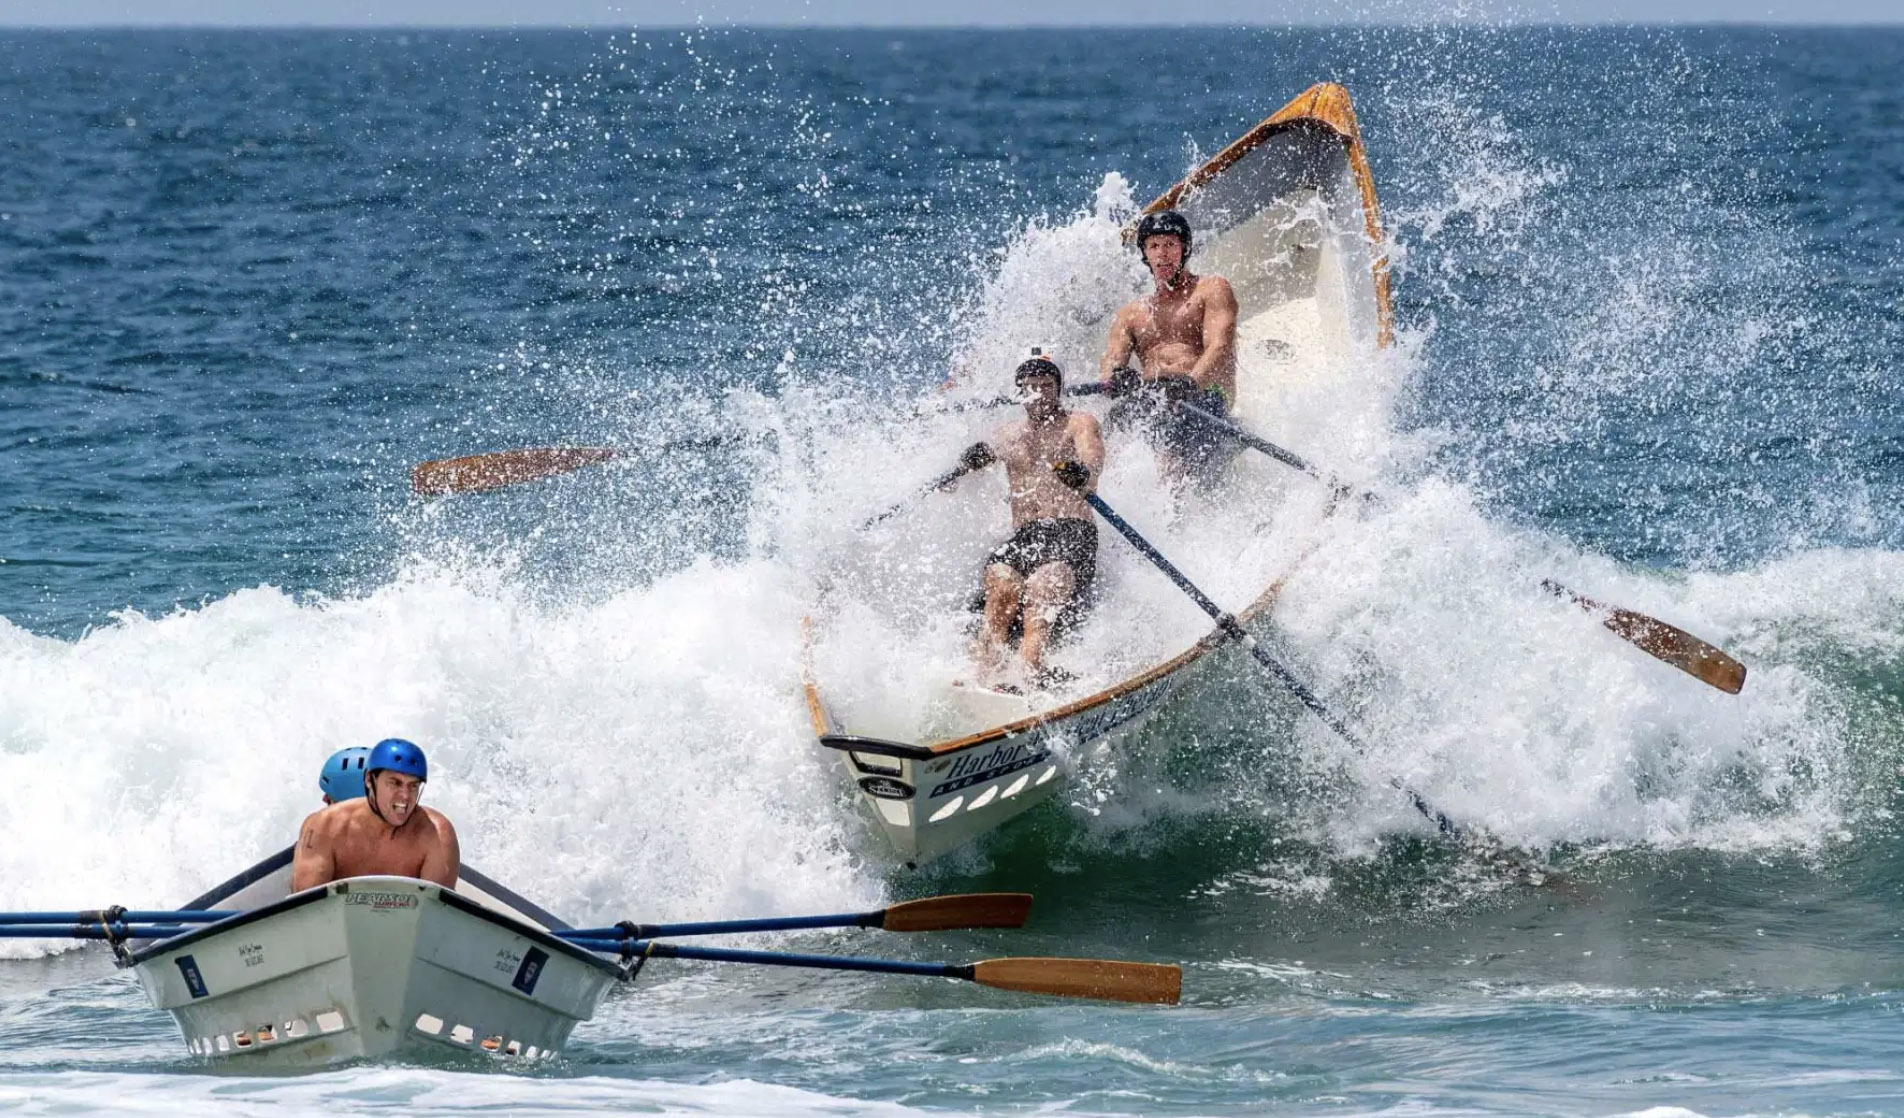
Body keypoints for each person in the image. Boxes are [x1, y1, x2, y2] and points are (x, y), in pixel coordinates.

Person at [955, 355, 1106, 690]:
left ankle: (1029, 673)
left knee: (1042, 584)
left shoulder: (1079, 423)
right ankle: (981, 673)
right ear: (1020, 391)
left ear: (1058, 389)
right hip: (1025, 535)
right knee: (1001, 581)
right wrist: (969, 461)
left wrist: (1083, 473)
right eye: (1030, 387)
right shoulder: (1008, 434)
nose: (1039, 394)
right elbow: (970, 470)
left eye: (1047, 386)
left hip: (1072, 531)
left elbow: (1092, 464)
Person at [1097, 209, 1240, 479]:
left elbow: (1220, 346)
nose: (1162, 254)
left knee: (1172, 450)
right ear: (1145, 254)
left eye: (1170, 245)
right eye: (1154, 246)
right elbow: (1110, 363)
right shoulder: (1130, 314)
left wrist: (1190, 383)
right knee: (1106, 437)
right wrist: (1115, 378)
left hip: (1203, 396)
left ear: (1184, 248)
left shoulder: (1211, 288)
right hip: (1151, 399)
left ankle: (1174, 510)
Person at [290, 738, 460, 892]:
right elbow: (306, 909)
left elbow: (435, 916)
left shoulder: (437, 833)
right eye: (394, 783)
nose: (405, 796)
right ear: (369, 780)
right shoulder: (323, 825)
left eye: (413, 786)